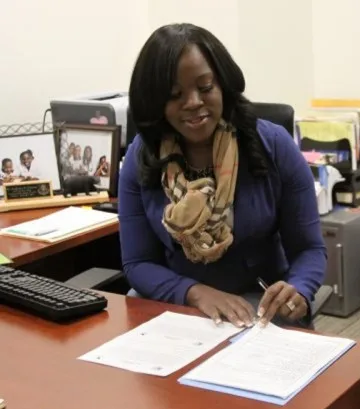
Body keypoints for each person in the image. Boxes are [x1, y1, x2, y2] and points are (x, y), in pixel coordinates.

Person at [119, 23, 326, 329]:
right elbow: (137, 263)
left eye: (204, 88)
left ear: (223, 85)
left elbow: (309, 249)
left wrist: (300, 290)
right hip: (176, 302)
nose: (193, 102)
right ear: (155, 101)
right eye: (175, 94)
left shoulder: (273, 145)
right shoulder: (141, 157)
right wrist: (195, 293)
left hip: (260, 305)